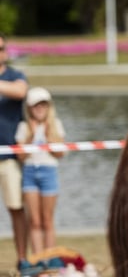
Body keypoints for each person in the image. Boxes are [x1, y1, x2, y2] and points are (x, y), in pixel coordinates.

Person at [16, 87, 65, 256]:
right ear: (29, 108)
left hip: (48, 173)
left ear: (48, 107)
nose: (40, 109)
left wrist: (48, 136)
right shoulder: (23, 127)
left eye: (43, 105)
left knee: (47, 220)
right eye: (36, 105)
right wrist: (31, 135)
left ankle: (50, 259)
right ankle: (38, 261)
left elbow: (60, 154)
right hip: (29, 173)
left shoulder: (55, 125)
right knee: (34, 221)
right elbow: (21, 156)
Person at [0, 32, 31, 272]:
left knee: (17, 209)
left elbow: (20, 91)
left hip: (9, 157)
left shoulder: (16, 76)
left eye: (1, 49)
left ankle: (22, 259)